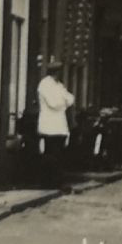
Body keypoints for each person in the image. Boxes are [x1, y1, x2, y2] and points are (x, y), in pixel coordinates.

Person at [36, 59, 75, 189]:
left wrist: (63, 102)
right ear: (54, 72)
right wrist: (63, 103)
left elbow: (71, 98)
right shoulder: (45, 85)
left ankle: (56, 182)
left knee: (58, 155)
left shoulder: (58, 85)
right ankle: (48, 182)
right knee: (50, 155)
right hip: (49, 126)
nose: (59, 74)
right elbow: (54, 103)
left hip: (59, 126)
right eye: (58, 72)